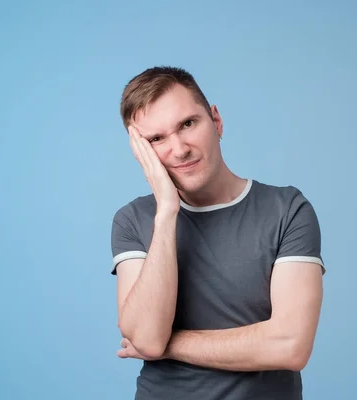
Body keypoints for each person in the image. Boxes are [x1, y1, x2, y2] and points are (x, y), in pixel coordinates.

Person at [110, 66, 325, 400]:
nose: (179, 149)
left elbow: (290, 346)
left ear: (216, 121)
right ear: (141, 153)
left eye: (188, 124)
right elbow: (147, 339)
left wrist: (171, 344)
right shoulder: (134, 220)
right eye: (156, 139)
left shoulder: (287, 209)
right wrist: (167, 213)